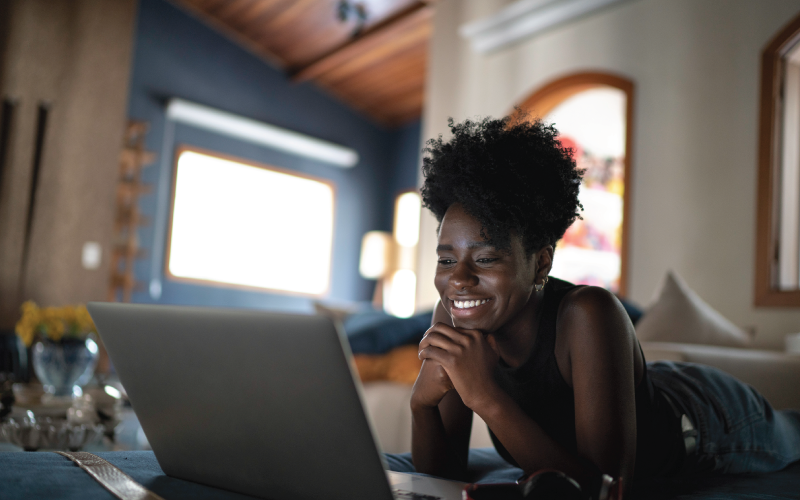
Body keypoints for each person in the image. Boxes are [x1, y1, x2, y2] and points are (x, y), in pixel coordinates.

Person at [388, 115, 800, 498]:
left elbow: (607, 488)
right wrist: (421, 405)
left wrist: (485, 397)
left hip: (709, 419)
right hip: (641, 390)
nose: (459, 279)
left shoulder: (588, 314)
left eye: (486, 258)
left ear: (541, 263)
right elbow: (440, 474)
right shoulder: (455, 318)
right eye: (446, 260)